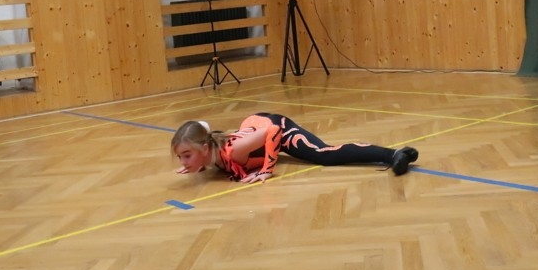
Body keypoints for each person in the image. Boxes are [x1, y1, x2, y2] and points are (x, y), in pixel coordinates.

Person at [171, 112, 419, 184]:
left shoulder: (234, 151)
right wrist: (197, 164)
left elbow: (272, 132)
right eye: (181, 157)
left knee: (324, 155)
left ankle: (393, 154)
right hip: (254, 127)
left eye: (187, 155)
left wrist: (267, 169)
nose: (183, 162)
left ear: (205, 148)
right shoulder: (210, 154)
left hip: (275, 127)